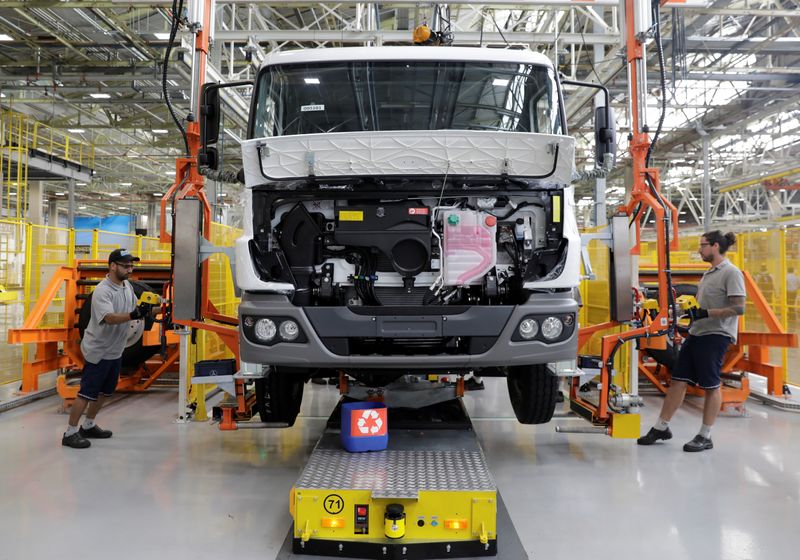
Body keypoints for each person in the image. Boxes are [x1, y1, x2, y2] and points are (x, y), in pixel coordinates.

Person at [638, 231, 746, 452]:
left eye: (703, 245)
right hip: (697, 333)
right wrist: (672, 310)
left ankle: (705, 435)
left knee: (710, 385)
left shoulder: (731, 273)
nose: (700, 249)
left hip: (716, 335)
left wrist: (706, 313)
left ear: (715, 246)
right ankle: (661, 427)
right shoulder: (708, 274)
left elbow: (739, 307)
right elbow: (696, 305)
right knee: (678, 380)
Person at [62, 248, 152, 449]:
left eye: (132, 265)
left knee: (105, 392)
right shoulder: (103, 291)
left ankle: (89, 425)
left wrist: (157, 309)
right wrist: (134, 315)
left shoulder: (126, 286)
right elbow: (109, 318)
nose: (130, 269)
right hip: (99, 350)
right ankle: (70, 433)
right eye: (126, 265)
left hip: (115, 350)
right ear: (112, 266)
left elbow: (136, 309)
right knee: (87, 393)